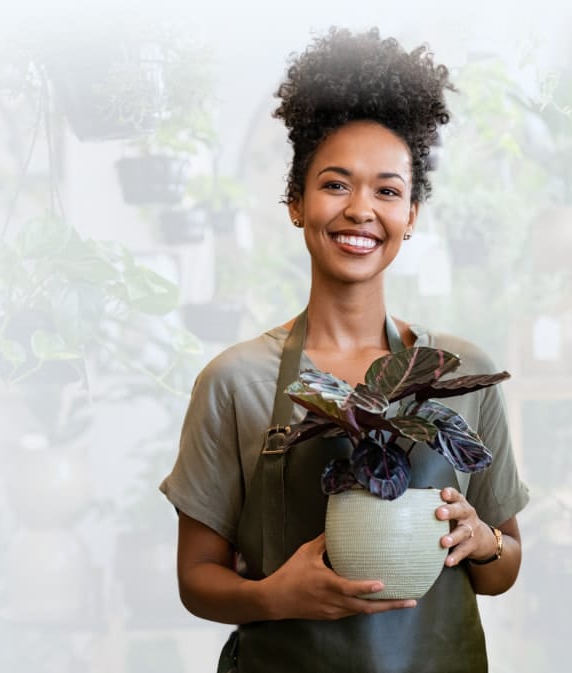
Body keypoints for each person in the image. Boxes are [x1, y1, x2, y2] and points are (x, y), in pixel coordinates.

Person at [159, 26, 529, 673]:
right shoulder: (235, 381)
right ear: (295, 202)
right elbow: (196, 577)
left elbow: (503, 570)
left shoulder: (462, 373)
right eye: (335, 184)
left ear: (411, 213)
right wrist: (273, 596)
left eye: (386, 190)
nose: (360, 209)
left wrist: (482, 539)